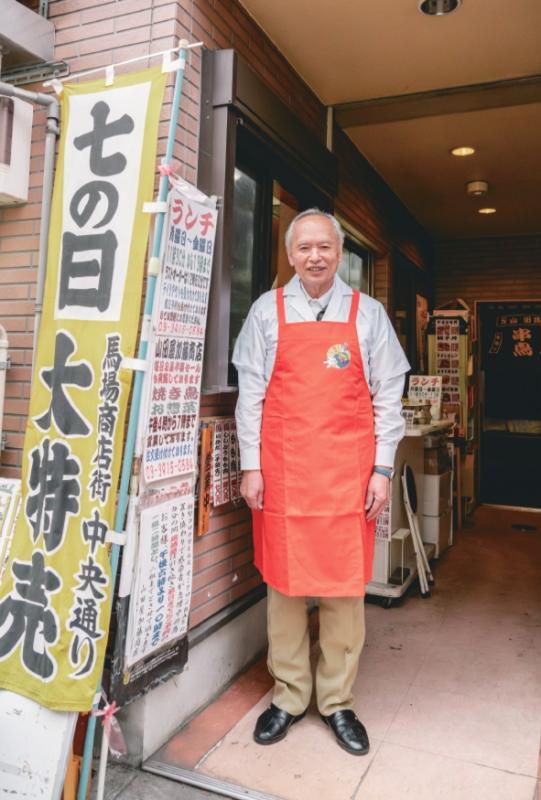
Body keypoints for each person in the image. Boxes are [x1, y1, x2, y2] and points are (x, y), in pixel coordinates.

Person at [233, 209, 409, 755]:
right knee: (284, 589)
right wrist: (251, 466)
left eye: (325, 248)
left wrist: (382, 469)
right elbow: (251, 397)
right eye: (305, 247)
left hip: (347, 477)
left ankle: (336, 701)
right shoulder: (265, 312)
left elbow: (387, 398)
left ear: (339, 254)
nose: (315, 256)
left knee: (342, 590)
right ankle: (288, 695)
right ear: (290, 255)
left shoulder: (368, 314)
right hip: (283, 475)